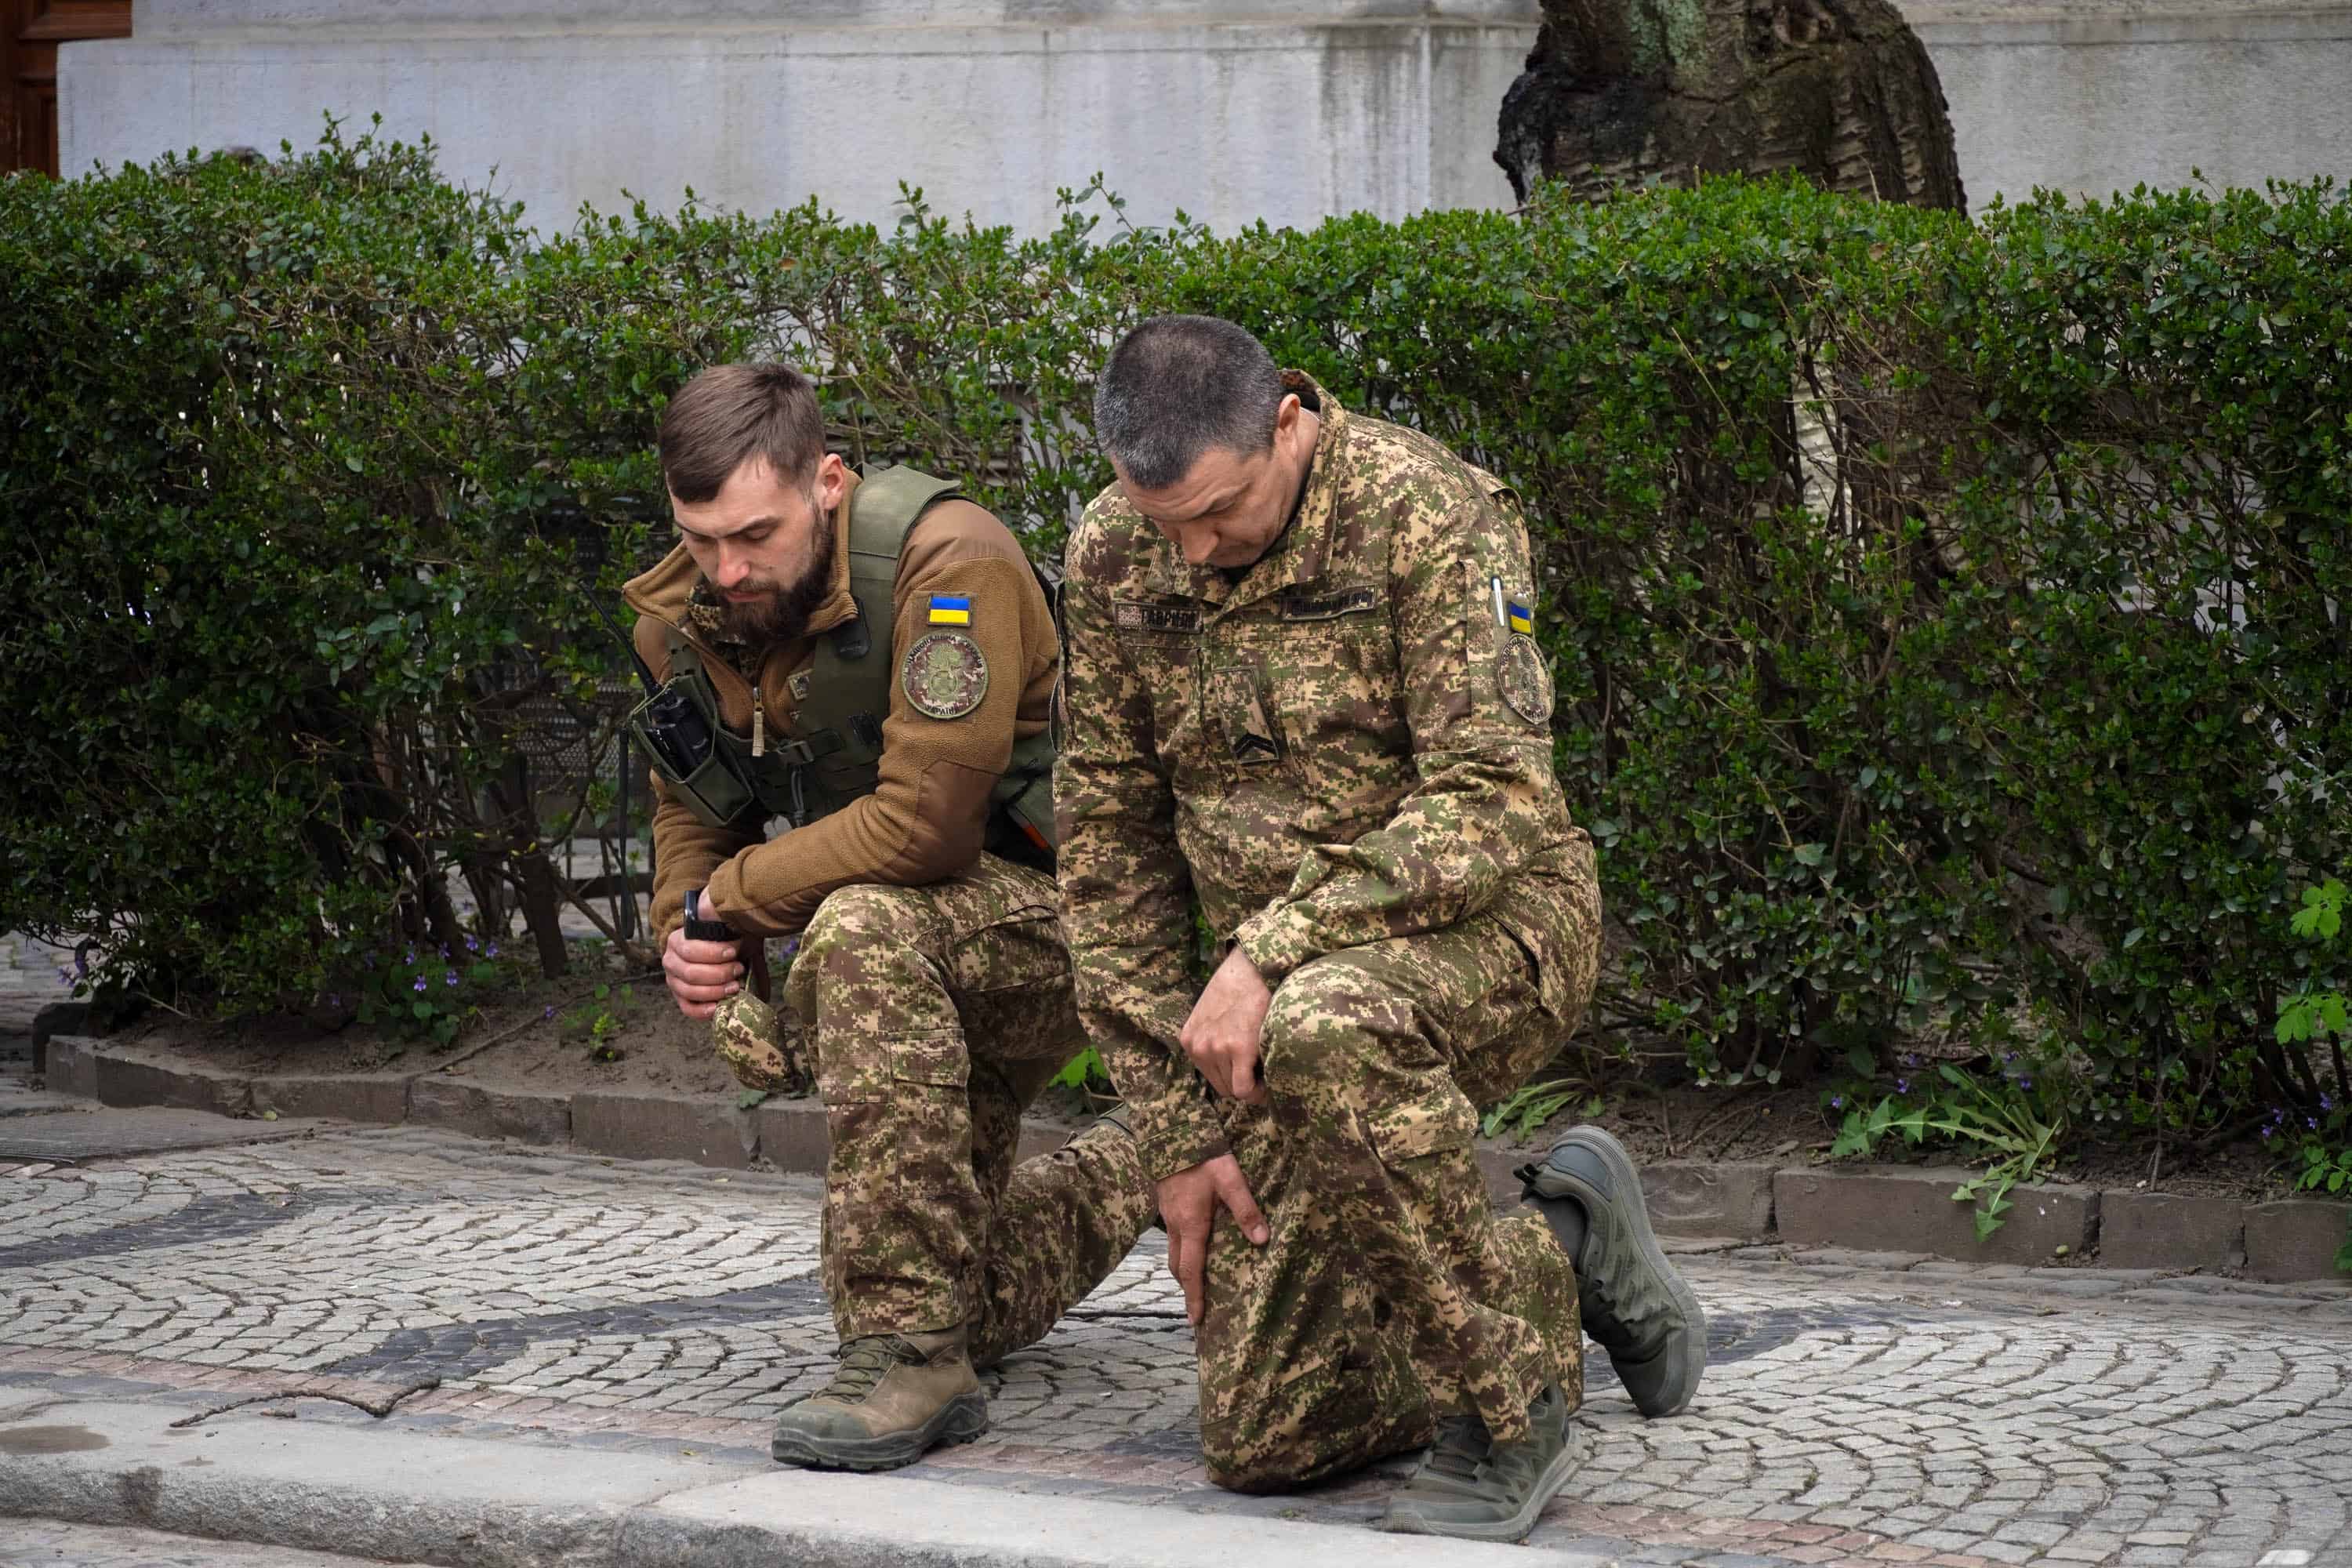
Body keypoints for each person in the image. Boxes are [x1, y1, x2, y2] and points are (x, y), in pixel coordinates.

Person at [1054, 316, 1707, 1538]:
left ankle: (1507, 1409)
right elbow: (1109, 840)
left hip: (1495, 928)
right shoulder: (1112, 553)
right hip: (1273, 1010)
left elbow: (1492, 797)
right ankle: (1565, 1243)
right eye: (1163, 523)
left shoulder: (1427, 512)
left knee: (1329, 1024)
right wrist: (1176, 1130)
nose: (1193, 552)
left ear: (1286, 425)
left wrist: (1272, 947)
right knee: (1266, 1437)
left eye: (1218, 513)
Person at [621, 362, 1152, 1472]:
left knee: (862, 924)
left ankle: (907, 1351)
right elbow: (693, 806)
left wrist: (735, 901)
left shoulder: (949, 560)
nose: (728, 569)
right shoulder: (687, 613)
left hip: (1070, 925)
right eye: (700, 538)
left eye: (754, 535)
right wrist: (687, 927)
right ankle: (1156, 1149)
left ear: (827, 481)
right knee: (974, 1294)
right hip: (916, 960)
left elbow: (926, 829)